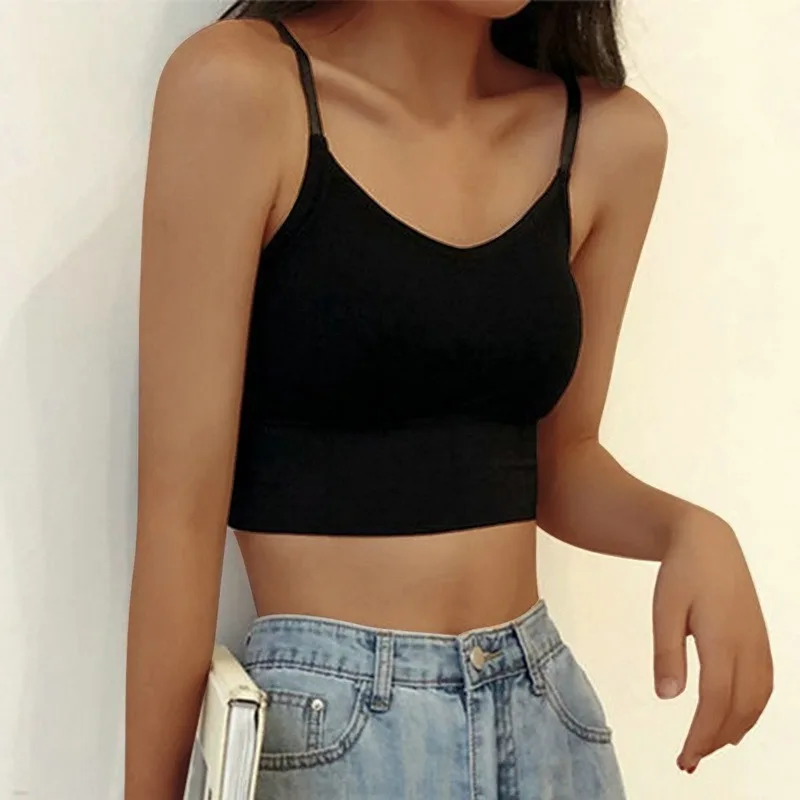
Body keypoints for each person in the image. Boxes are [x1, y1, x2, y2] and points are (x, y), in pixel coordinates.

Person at [124, 1, 773, 798]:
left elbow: (562, 463)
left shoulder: (608, 138)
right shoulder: (242, 89)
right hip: (337, 734)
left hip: (547, 722)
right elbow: (181, 513)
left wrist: (688, 530)